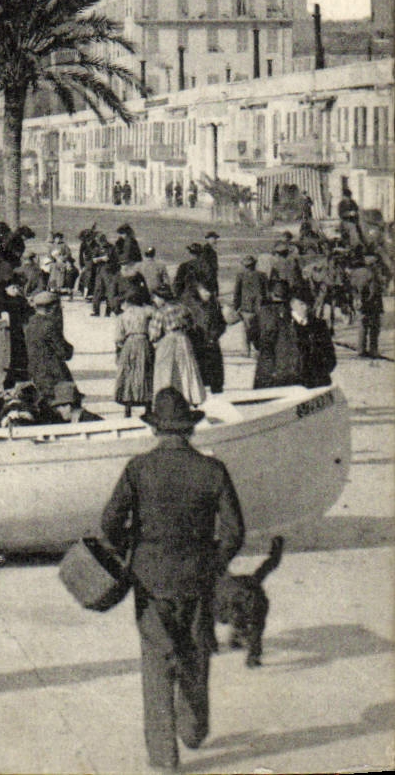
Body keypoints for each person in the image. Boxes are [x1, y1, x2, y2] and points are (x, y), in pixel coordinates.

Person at [101, 387, 244, 774]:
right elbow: (234, 532)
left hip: (150, 579)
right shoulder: (212, 470)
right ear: (190, 430)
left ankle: (164, 758)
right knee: (196, 654)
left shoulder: (138, 469)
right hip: (197, 578)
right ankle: (194, 730)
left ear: (156, 430)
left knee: (158, 664)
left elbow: (109, 522)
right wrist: (214, 563)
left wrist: (128, 548)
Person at [258, 296, 336, 389]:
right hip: (286, 383)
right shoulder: (279, 325)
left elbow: (330, 355)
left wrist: (320, 372)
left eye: (308, 304)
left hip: (314, 384)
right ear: (292, 305)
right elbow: (266, 351)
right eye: (301, 304)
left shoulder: (319, 326)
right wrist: (274, 374)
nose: (305, 308)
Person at [150, 287, 205, 406]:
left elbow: (154, 334)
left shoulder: (160, 312)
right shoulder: (183, 308)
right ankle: (190, 397)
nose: (155, 300)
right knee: (186, 368)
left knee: (168, 372)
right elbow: (192, 325)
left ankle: (169, 401)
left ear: (162, 298)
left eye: (156, 298)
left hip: (168, 341)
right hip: (184, 340)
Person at [115, 290, 157, 422]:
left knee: (128, 373)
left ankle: (128, 405)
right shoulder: (148, 312)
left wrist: (119, 348)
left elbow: (119, 337)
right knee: (146, 372)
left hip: (129, 344)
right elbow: (154, 330)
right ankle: (147, 404)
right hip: (144, 343)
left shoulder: (123, 316)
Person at [24, 290, 75, 398]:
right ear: (52, 308)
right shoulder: (50, 326)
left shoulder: (30, 323)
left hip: (36, 372)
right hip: (53, 375)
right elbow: (64, 353)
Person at [0, 281, 33, 388]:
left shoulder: (20, 300)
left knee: (16, 358)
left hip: (17, 334)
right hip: (7, 334)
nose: (15, 290)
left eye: (16, 287)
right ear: (5, 289)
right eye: (12, 287)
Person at [231, 254, 266, 358]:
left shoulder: (241, 275)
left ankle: (247, 350)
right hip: (259, 306)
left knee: (247, 329)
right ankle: (257, 350)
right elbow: (266, 291)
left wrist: (236, 306)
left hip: (246, 306)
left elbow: (237, 292)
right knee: (258, 328)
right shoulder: (262, 275)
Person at [356, 254, 384, 358]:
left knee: (363, 326)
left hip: (364, 304)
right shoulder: (372, 275)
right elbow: (373, 291)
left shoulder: (359, 273)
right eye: (376, 263)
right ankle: (373, 350)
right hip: (372, 304)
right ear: (372, 264)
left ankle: (361, 350)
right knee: (374, 327)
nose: (378, 265)